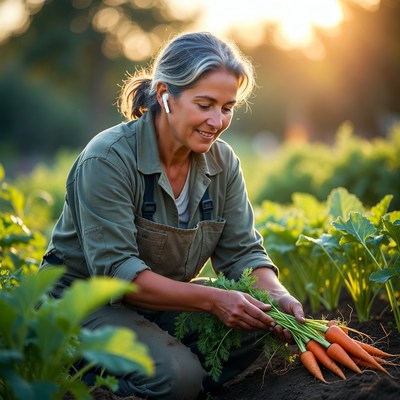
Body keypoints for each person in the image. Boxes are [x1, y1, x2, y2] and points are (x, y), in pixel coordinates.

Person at [40, 31, 305, 400]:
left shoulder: (222, 162)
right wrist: (213, 300)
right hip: (84, 301)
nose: (217, 120)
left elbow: (243, 253)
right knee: (177, 378)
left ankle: (165, 374)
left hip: (159, 302)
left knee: (258, 327)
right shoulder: (108, 158)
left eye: (227, 108)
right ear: (165, 95)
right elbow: (118, 276)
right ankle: (82, 377)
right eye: (205, 104)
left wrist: (278, 297)